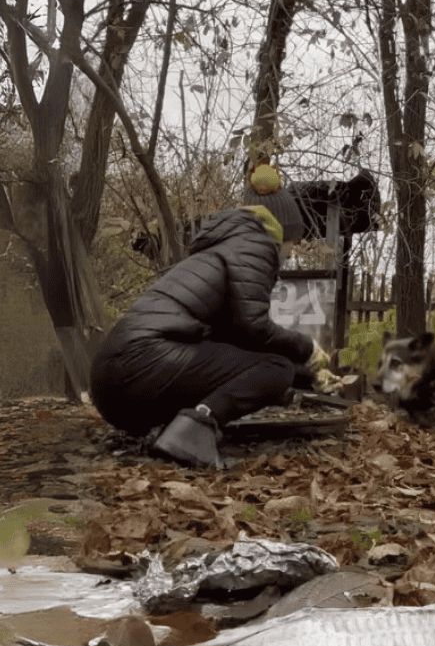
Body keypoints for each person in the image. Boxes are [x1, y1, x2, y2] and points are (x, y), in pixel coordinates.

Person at [90, 167, 321, 468]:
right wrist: (308, 349)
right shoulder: (257, 244)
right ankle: (192, 431)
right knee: (275, 367)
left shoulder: (223, 246)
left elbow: (232, 347)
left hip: (111, 385)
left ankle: (178, 428)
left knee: (277, 369)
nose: (294, 250)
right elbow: (254, 328)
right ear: (281, 232)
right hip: (141, 364)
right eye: (295, 240)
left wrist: (302, 375)